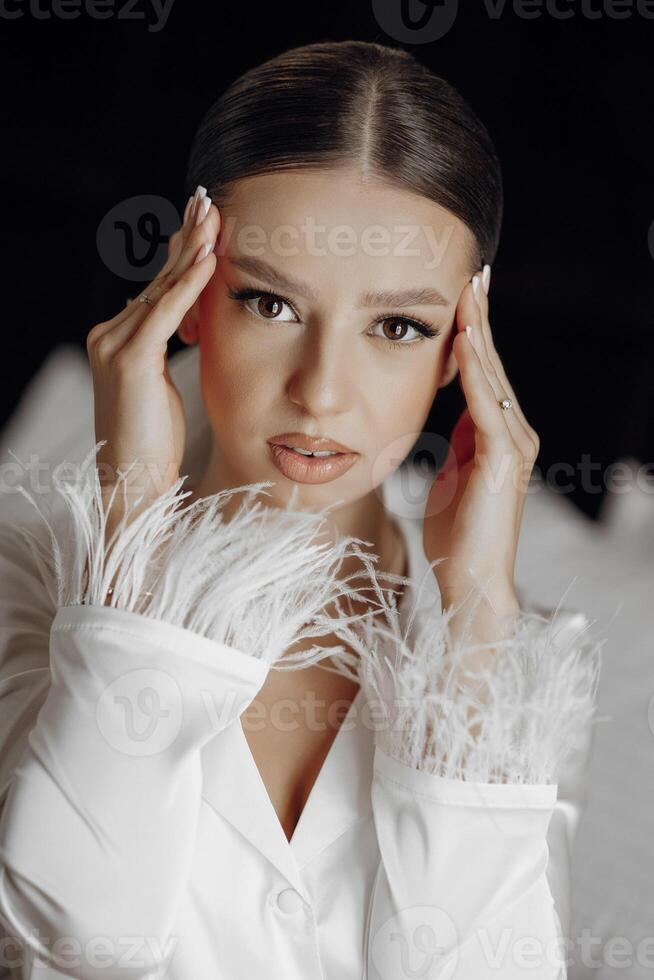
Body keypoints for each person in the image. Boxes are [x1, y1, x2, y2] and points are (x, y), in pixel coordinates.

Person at [0, 39, 602, 980]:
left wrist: (477, 612)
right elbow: (72, 940)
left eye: (397, 326)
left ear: (459, 349)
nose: (322, 393)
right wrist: (130, 524)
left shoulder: (517, 679)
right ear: (188, 298)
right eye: (271, 304)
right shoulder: (23, 593)